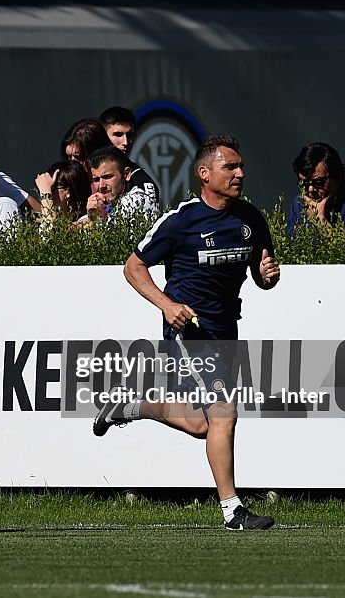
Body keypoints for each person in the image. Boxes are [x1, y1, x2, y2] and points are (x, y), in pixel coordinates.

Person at [94, 134, 280, 531]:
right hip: (189, 331)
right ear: (204, 173)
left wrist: (267, 277)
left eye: (240, 166)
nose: (239, 173)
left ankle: (133, 406)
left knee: (202, 425)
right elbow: (133, 268)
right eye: (230, 167)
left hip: (225, 331)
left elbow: (262, 274)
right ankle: (233, 511)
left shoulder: (251, 219)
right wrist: (167, 305)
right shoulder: (180, 221)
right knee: (225, 413)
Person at [286, 141, 345, 241]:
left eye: (318, 182)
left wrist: (320, 220)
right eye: (304, 183)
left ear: (337, 177)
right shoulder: (300, 203)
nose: (310, 189)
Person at [83, 145, 159, 223]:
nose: (101, 186)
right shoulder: (111, 204)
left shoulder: (136, 202)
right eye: (96, 180)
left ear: (126, 174)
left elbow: (115, 234)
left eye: (107, 177)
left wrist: (97, 220)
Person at [34, 159, 92, 225]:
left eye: (52, 187)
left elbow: (51, 231)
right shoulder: (51, 219)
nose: (50, 192)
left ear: (67, 191)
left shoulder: (87, 222)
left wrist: (45, 192)